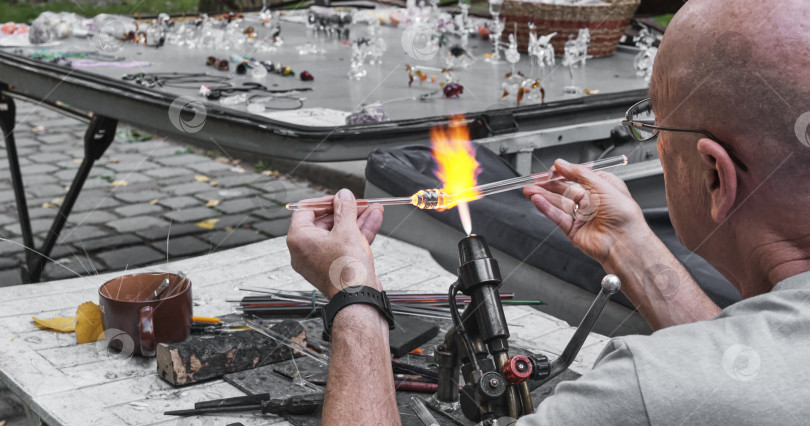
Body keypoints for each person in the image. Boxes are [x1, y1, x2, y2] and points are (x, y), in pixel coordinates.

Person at [286, 0, 810, 423]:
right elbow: (748, 361)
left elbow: (704, 381)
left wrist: (353, 293)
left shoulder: (644, 390)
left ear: (714, 175)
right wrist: (627, 246)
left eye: (654, 127)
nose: (651, 142)